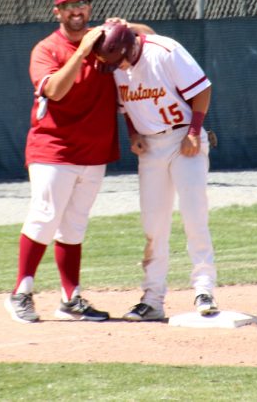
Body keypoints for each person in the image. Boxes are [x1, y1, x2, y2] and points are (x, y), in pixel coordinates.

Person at [4, 0, 154, 323]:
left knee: (74, 226)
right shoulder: (47, 49)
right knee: (44, 217)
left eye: (82, 3)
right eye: (68, 5)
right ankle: (21, 292)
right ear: (56, 11)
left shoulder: (106, 42)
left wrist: (125, 28)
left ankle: (70, 299)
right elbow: (54, 91)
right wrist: (83, 50)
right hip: (53, 149)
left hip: (94, 150)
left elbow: (149, 37)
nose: (77, 10)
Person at [93, 22, 219, 321]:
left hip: (182, 139)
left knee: (194, 215)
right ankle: (152, 299)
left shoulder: (165, 51)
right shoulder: (118, 62)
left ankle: (204, 290)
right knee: (153, 226)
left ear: (130, 46)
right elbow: (126, 106)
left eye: (117, 61)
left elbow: (203, 90)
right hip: (150, 147)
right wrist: (133, 133)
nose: (115, 68)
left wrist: (194, 132)